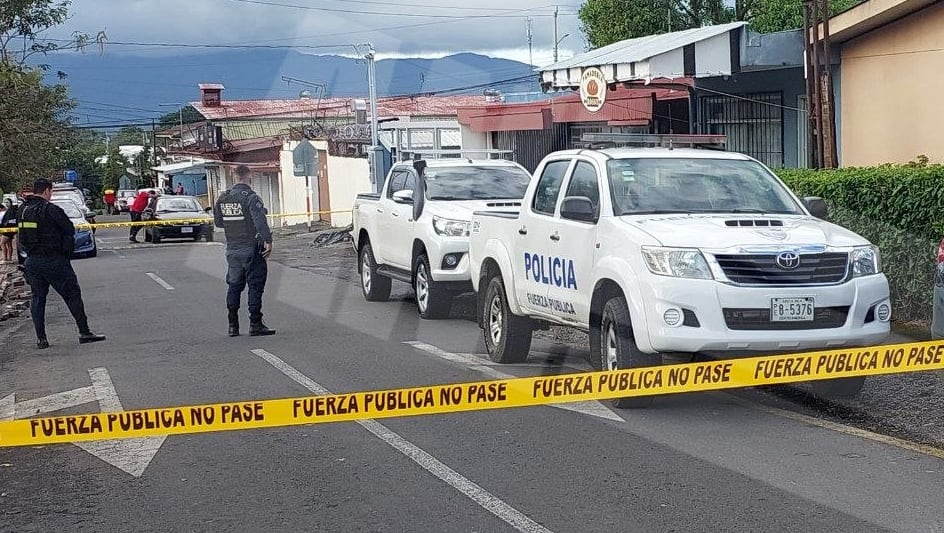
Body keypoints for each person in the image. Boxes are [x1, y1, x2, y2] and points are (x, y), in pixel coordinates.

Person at [17, 178, 105, 349]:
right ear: (48, 191)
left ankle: (41, 339)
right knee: (72, 295)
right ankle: (84, 332)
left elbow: (21, 237)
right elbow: (69, 231)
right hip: (54, 260)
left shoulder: (22, 210)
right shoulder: (51, 210)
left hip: (32, 261)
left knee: (37, 298)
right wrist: (65, 254)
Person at [213, 165, 275, 337]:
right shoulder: (251, 198)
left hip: (232, 249)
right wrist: (268, 241)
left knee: (234, 285)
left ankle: (232, 325)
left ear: (234, 176)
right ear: (249, 176)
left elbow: (218, 223)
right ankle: (255, 323)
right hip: (251, 248)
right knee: (255, 285)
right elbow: (260, 222)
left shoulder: (223, 198)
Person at [0, 198, 16, 263]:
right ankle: (9, 259)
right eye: (5, 202)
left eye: (7, 202)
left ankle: (5, 259)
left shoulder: (11, 210)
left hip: (8, 230)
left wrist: (5, 224)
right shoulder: (9, 210)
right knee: (9, 244)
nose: (6, 203)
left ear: (10, 202)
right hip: (8, 229)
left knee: (2, 243)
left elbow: (11, 220)